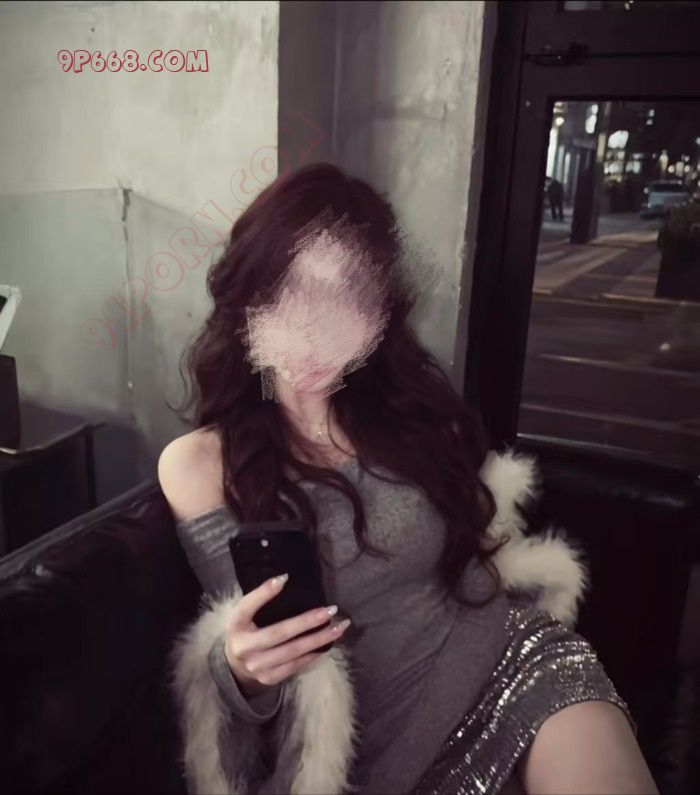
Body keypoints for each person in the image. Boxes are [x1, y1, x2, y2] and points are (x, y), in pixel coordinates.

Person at [159, 163, 657, 794]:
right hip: (371, 750)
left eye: (350, 295)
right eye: (294, 291)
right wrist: (241, 671)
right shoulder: (201, 463)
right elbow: (257, 643)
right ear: (253, 298)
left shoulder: (403, 416)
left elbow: (471, 552)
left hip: (510, 663)